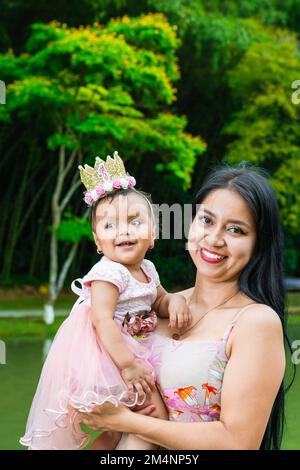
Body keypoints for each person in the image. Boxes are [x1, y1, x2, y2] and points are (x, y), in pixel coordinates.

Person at [79, 163, 290, 450]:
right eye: (206, 221)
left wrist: (124, 422)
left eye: (236, 230)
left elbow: (237, 443)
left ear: (258, 244)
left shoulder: (254, 322)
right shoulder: (156, 304)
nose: (214, 239)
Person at [20, 151, 191, 450]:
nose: (123, 230)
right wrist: (127, 366)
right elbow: (101, 319)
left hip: (133, 352)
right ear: (98, 242)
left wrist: (174, 301)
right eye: (109, 226)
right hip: (109, 358)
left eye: (134, 222)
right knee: (155, 418)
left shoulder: (147, 269)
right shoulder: (108, 273)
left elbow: (158, 300)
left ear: (153, 234)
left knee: (115, 431)